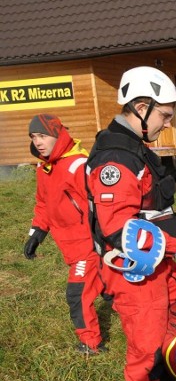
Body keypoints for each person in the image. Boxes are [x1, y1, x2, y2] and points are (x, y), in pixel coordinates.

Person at [86, 66, 176, 381]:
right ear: (141, 106)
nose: (167, 124)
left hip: (159, 266)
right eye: (164, 116)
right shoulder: (115, 159)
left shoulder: (137, 149)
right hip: (135, 273)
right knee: (147, 345)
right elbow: (119, 228)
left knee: (169, 331)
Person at [24, 114, 107, 355]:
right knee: (112, 290)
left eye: (42, 135)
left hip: (88, 245)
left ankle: (91, 344)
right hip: (68, 246)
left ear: (57, 134)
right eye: (33, 137)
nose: (37, 141)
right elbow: (43, 203)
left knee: (77, 294)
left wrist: (103, 242)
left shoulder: (78, 165)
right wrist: (36, 234)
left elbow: (100, 206)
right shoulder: (44, 166)